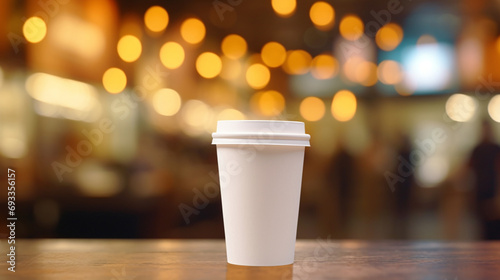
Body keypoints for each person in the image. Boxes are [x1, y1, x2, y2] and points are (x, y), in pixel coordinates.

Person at [468, 121, 500, 239]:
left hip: (493, 191)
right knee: (483, 226)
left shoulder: (496, 148)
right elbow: (468, 168)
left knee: (495, 226)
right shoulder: (477, 149)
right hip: (480, 191)